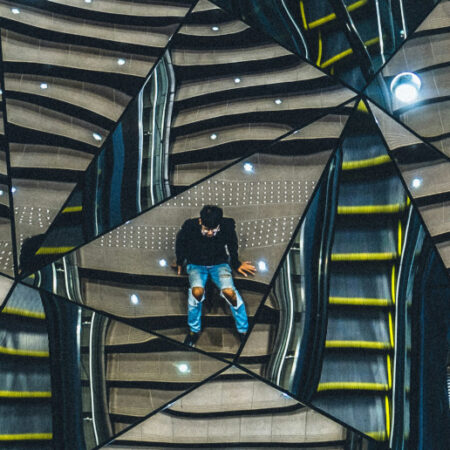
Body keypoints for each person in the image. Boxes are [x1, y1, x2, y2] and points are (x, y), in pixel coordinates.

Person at [175, 205, 256, 347]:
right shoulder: (190, 226)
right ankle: (194, 330)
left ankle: (243, 330)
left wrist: (236, 263)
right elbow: (180, 243)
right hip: (196, 264)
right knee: (196, 293)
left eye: (214, 230)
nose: (211, 233)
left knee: (230, 293)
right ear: (200, 221)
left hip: (219, 264)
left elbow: (232, 244)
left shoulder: (227, 226)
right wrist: (180, 261)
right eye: (207, 230)